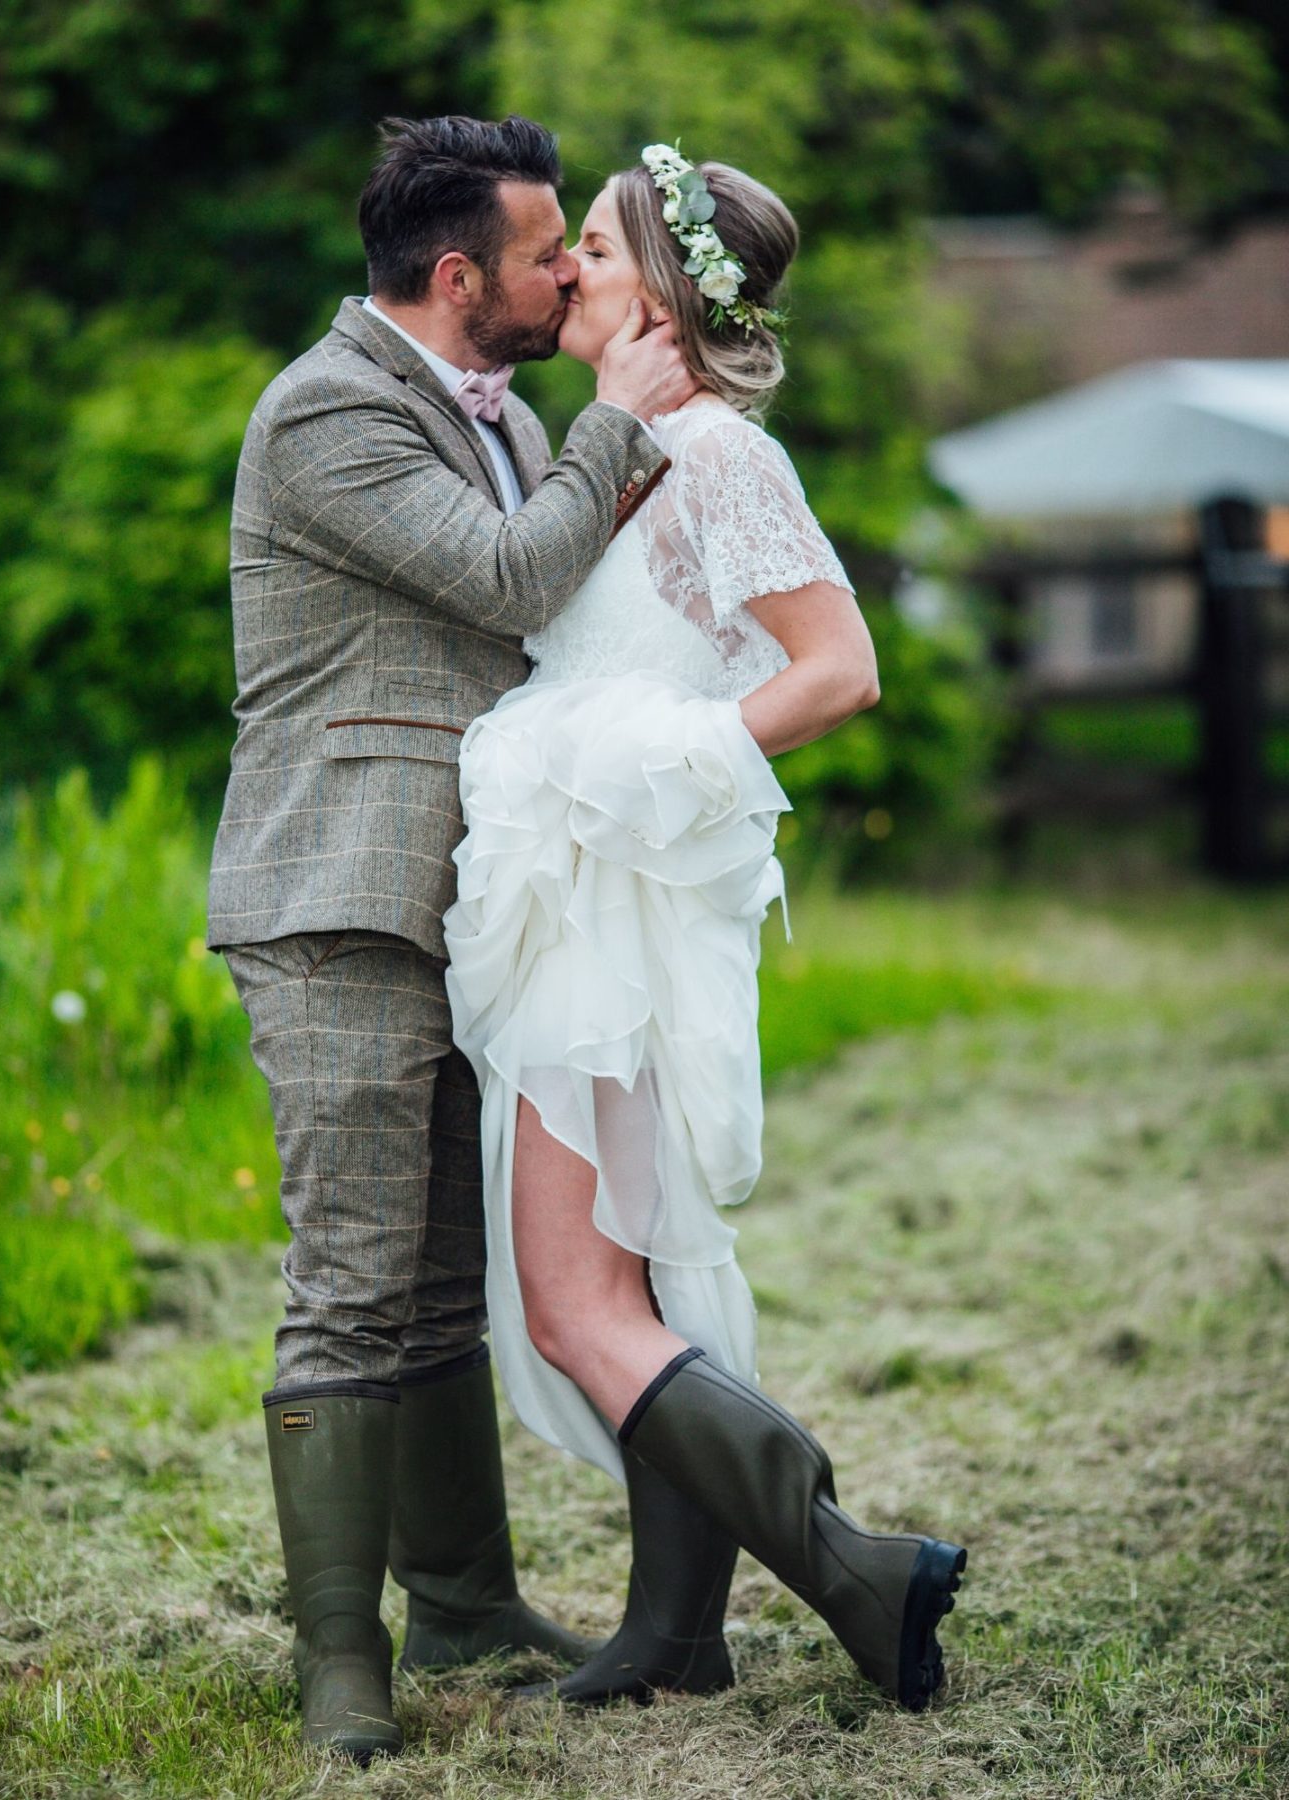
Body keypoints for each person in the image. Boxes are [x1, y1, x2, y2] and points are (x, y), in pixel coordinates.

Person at [444, 143, 967, 1713]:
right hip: (582, 895)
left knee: (577, 1300)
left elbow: (838, 669)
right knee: (642, 1283)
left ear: (666, 293)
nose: (566, 273)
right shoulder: (623, 450)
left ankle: (855, 1562)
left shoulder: (726, 460)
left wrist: (654, 763)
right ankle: (674, 1634)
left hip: (621, 905)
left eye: (591, 249)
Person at [206, 115, 699, 1764]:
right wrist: (621, 427)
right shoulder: (329, 408)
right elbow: (502, 582)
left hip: (475, 900)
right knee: (351, 1286)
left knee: (442, 1286)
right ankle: (340, 1666)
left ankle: (468, 1607)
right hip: (340, 893)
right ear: (454, 273)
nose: (571, 270)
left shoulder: (492, 415)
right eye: (549, 249)